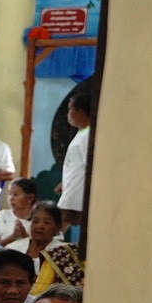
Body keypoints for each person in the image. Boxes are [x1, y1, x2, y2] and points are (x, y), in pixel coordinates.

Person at [57, 88, 93, 230]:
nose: (68, 115)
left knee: (54, 231)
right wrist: (64, 182)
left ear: (80, 111)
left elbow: (90, 167)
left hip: (76, 195)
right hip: (71, 190)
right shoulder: (82, 133)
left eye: (70, 110)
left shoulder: (88, 135)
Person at [0, 177, 38, 245]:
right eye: (9, 194)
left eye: (15, 194)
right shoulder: (2, 216)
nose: (11, 198)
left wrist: (24, 235)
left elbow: (40, 249)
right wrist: (13, 237)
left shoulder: (39, 219)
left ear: (30, 198)